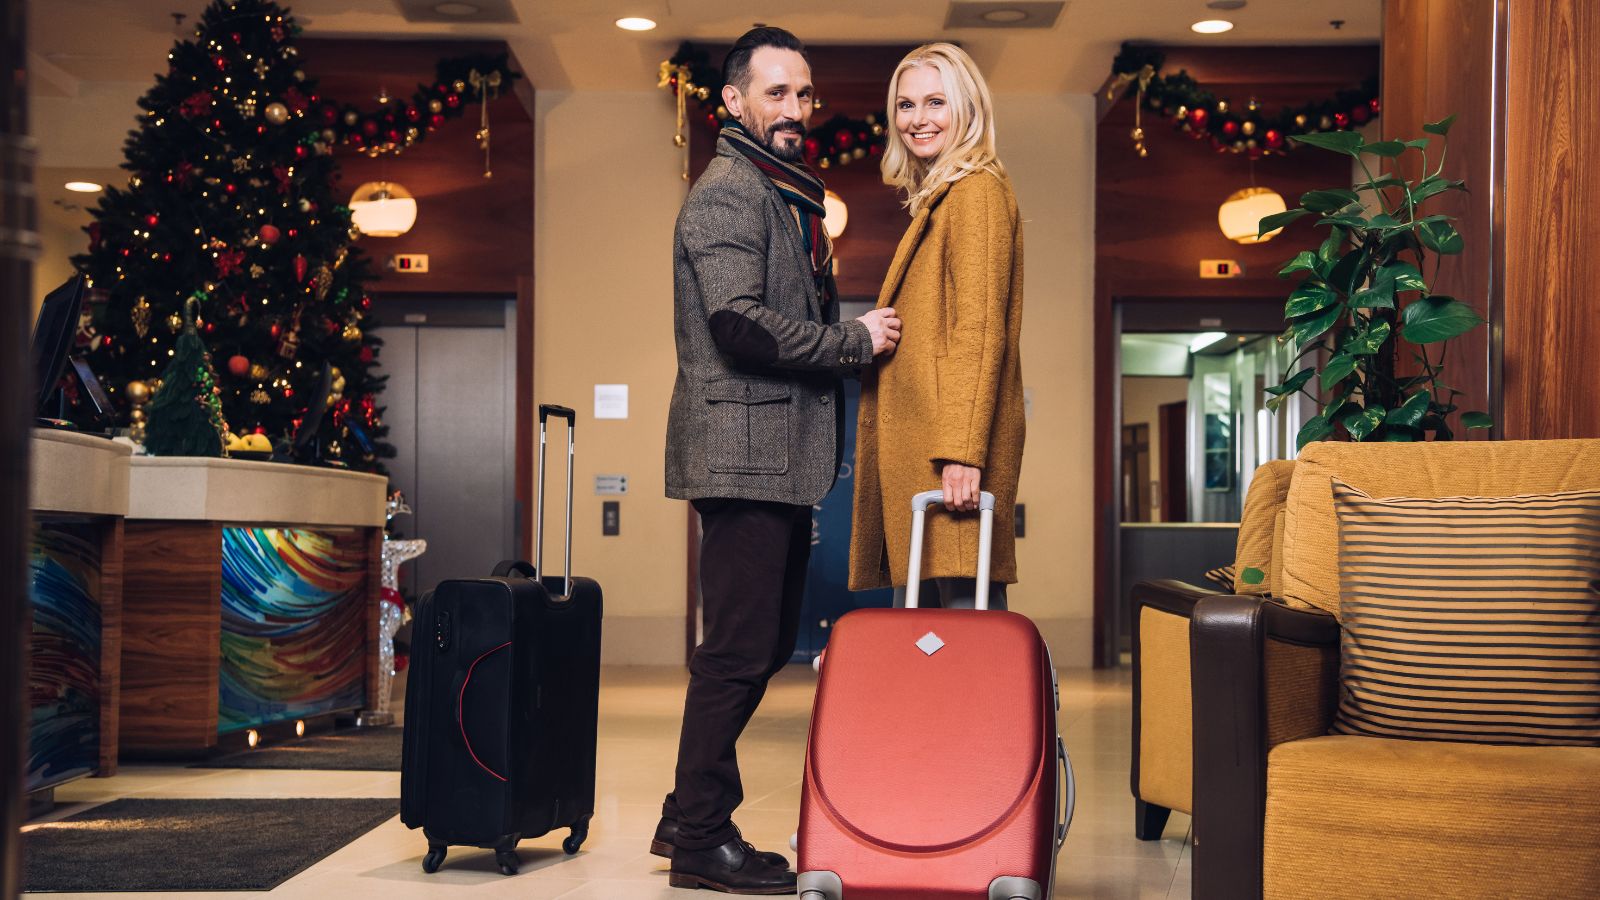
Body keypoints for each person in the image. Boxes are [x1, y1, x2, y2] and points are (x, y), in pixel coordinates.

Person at [661, 26, 902, 894]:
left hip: (773, 462)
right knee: (737, 652)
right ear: (732, 103)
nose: (796, 111)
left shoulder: (784, 193)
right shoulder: (729, 194)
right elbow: (738, 323)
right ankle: (699, 839)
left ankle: (682, 811)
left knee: (753, 648)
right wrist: (852, 340)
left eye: (804, 95)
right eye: (776, 94)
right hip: (743, 460)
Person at [849, 42, 1025, 609]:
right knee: (936, 630)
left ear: (968, 109)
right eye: (905, 105)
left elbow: (978, 331)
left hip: (946, 455)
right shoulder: (943, 198)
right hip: (930, 449)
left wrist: (963, 454)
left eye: (935, 102)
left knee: (964, 625)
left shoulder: (976, 194)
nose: (917, 120)